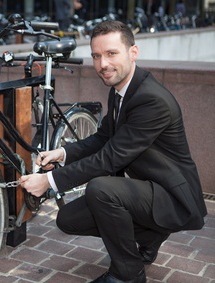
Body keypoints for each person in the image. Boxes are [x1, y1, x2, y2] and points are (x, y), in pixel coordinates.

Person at [19, 20, 207, 283]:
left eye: (111, 53)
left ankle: (127, 273)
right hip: (147, 187)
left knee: (102, 189)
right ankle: (149, 236)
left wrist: (49, 181)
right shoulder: (121, 90)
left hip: (174, 196)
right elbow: (103, 139)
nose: (102, 64)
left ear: (133, 52)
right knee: (68, 219)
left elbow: (111, 158)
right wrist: (62, 153)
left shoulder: (151, 99)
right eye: (96, 56)